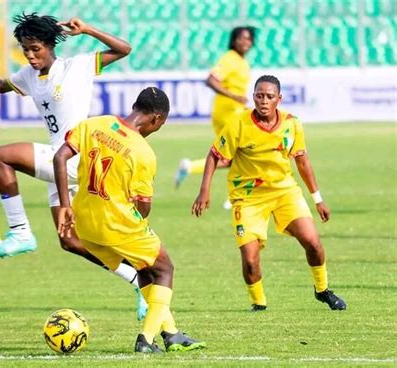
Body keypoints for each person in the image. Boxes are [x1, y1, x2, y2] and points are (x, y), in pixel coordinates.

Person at [0, 13, 148, 320]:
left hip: (76, 157)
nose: (30, 55)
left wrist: (88, 29)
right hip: (58, 163)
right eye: (25, 49)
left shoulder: (76, 66)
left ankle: (21, 231)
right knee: (70, 241)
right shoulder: (28, 75)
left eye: (35, 48)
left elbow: (124, 49)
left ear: (50, 45)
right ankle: (139, 282)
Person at [54, 87, 206, 353]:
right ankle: (145, 340)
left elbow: (60, 157)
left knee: (145, 269)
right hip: (118, 225)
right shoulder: (142, 152)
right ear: (157, 119)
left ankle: (171, 333)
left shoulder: (94, 124)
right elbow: (144, 207)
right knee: (164, 269)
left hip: (85, 225)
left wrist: (65, 205)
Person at [192, 75, 347, 312]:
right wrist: (204, 191)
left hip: (285, 192)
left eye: (269, 97)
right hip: (248, 198)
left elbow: (303, 162)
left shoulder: (291, 123)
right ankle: (259, 304)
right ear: (254, 96)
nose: (264, 101)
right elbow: (215, 154)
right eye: (259, 96)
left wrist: (318, 199)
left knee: (313, 243)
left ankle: (323, 290)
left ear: (279, 99)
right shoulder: (239, 124)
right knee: (250, 259)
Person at [176, 26, 254, 210]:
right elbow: (210, 80)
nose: (245, 42)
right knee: (245, 153)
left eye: (249, 39)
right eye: (242, 38)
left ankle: (189, 167)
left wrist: (241, 102)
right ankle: (236, 196)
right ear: (234, 40)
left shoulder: (241, 61)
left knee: (231, 158)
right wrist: (234, 97)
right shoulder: (229, 59)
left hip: (234, 110)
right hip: (228, 112)